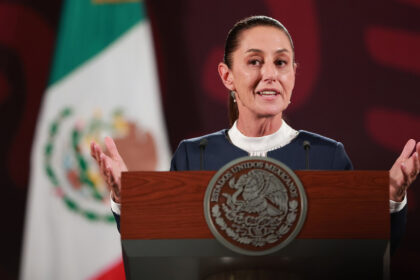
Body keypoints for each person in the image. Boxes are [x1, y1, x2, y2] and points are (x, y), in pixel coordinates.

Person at [90, 16, 419, 254]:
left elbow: (367, 246)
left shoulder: (326, 155)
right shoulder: (195, 155)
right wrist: (125, 198)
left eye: (281, 62)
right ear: (227, 76)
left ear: (293, 73)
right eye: (255, 62)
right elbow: (162, 241)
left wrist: (391, 195)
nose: (270, 75)